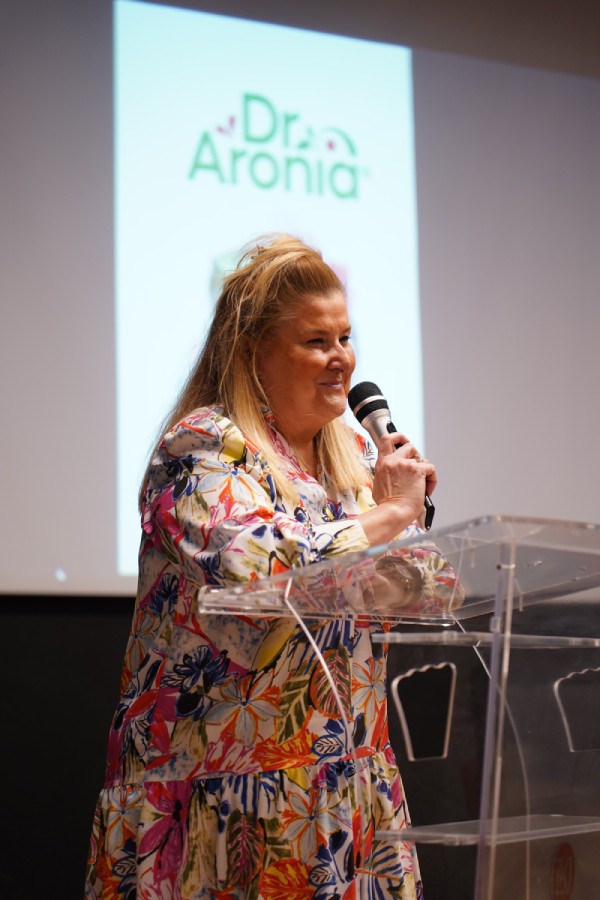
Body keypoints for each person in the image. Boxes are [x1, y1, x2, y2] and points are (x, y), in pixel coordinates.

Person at [85, 234, 456, 899]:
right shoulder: (202, 448)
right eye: (316, 341)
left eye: (345, 338)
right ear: (253, 350)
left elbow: (431, 586)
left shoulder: (353, 463)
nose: (341, 358)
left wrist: (395, 522)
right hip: (218, 807)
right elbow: (262, 568)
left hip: (345, 797)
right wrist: (392, 515)